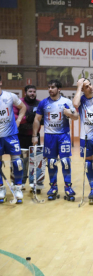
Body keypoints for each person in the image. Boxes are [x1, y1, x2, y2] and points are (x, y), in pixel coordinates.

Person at [33, 79, 79, 201]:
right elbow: (37, 119)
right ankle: (53, 187)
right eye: (49, 87)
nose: (50, 89)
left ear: (59, 89)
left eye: (52, 87)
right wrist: (34, 135)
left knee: (65, 161)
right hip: (49, 136)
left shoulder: (66, 102)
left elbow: (76, 117)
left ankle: (68, 187)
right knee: (52, 162)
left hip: (63, 136)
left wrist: (69, 114)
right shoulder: (43, 103)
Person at [0, 75, 27, 204]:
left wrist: (18, 120)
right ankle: (1, 188)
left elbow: (23, 107)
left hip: (11, 135)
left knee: (17, 163)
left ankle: (17, 187)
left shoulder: (10, 96)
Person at [12, 85, 43, 190]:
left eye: (34, 91)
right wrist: (27, 118)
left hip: (34, 136)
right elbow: (15, 116)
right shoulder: (19, 102)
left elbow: (43, 118)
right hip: (20, 136)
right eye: (30, 91)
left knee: (36, 161)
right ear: (25, 93)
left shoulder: (40, 103)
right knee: (20, 161)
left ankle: (36, 183)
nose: (32, 93)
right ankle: (19, 182)